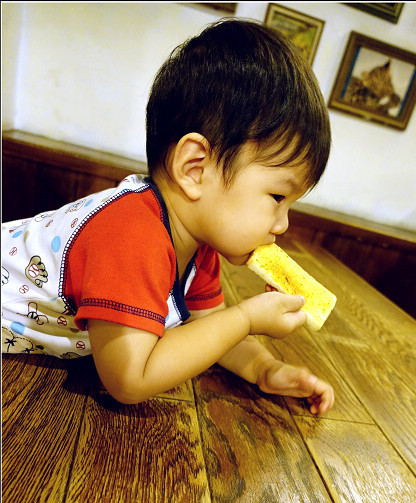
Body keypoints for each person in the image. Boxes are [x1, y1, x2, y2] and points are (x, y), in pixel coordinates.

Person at [2, 18, 334, 414]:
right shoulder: (130, 234)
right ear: (195, 169)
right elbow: (130, 379)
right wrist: (246, 318)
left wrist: (266, 369)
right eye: (277, 196)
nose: (283, 224)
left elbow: (207, 329)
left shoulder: (199, 244)